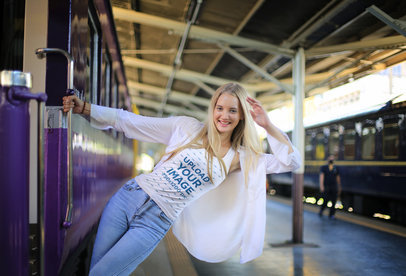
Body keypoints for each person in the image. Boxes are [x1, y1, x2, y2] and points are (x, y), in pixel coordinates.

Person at [62, 82, 301, 276]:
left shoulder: (240, 157)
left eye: (232, 110)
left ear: (241, 117)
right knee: (96, 271)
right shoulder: (187, 127)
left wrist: (267, 125)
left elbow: (291, 162)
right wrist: (85, 108)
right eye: (220, 108)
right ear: (213, 108)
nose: (224, 116)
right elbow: (132, 121)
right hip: (129, 197)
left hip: (155, 222)